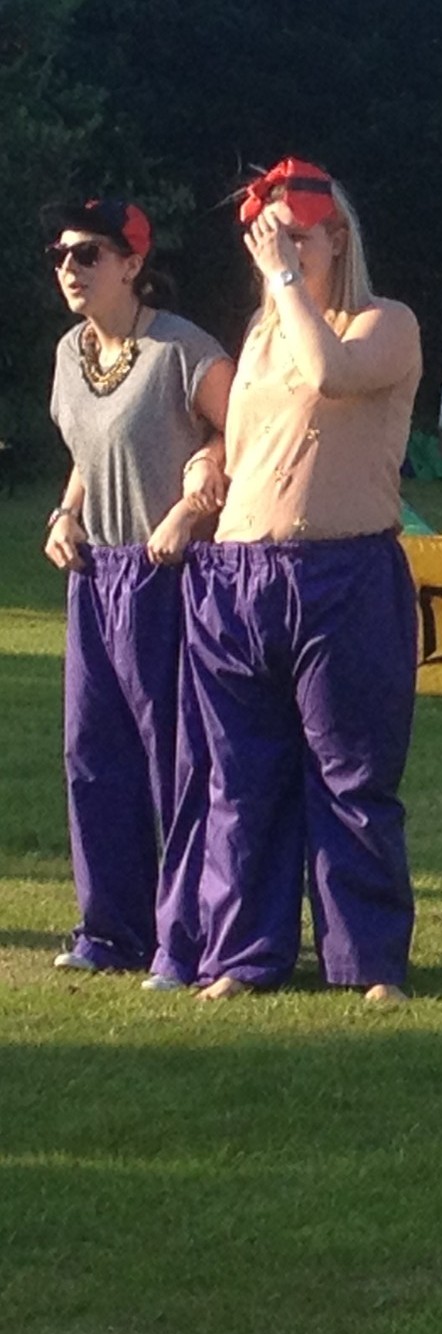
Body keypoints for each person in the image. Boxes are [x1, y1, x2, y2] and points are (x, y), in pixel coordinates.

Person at [152, 159, 422, 1002]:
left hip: (341, 569)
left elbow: (332, 375)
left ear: (336, 240)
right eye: (270, 236)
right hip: (239, 576)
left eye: (298, 235)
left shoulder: (385, 322)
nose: (280, 249)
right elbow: (249, 438)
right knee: (241, 777)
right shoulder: (264, 334)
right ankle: (245, 954)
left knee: (351, 775)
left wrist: (286, 282)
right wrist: (207, 469)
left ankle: (368, 959)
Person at [40, 197, 232, 983]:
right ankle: (109, 931)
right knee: (93, 754)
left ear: (131, 263)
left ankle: (181, 938)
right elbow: (89, 451)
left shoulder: (180, 350)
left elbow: (246, 430)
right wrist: (64, 512)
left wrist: (195, 498)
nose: (69, 268)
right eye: (59, 254)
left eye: (87, 254)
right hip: (96, 574)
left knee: (176, 760)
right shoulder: (69, 354)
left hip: (169, 573)